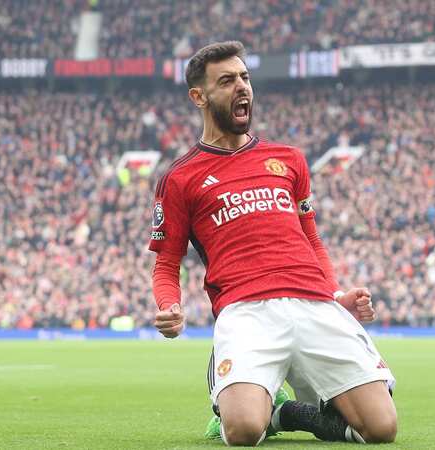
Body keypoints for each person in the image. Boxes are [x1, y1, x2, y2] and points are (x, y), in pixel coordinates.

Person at [148, 41, 397, 446]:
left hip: (314, 302)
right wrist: (168, 306)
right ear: (199, 96)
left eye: (245, 78)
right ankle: (260, 401)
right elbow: (165, 264)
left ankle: (289, 407)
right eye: (226, 81)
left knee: (382, 429)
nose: (242, 87)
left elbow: (310, 238)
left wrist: (335, 294)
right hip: (246, 310)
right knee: (244, 431)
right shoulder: (180, 178)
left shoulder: (289, 159)